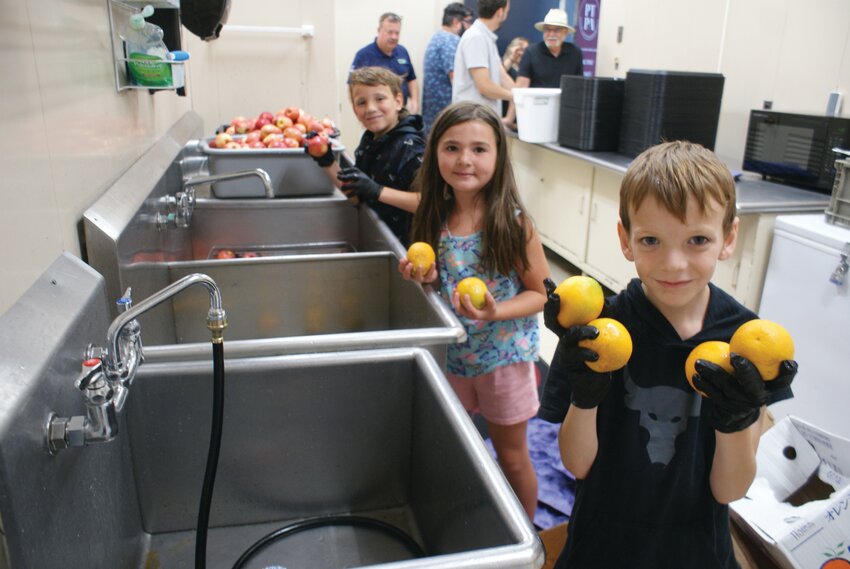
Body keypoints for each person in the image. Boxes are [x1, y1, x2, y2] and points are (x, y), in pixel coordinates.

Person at [539, 141, 798, 568]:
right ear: (625, 240)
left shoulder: (745, 343)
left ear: (728, 237)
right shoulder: (598, 331)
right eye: (651, 240)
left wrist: (736, 420)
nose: (674, 263)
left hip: (696, 548)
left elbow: (730, 490)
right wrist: (584, 397)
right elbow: (576, 464)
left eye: (697, 240)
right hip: (601, 542)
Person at [398, 101, 550, 521]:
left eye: (479, 149)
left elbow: (541, 295)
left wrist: (495, 312)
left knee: (512, 455)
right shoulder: (434, 214)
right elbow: (440, 279)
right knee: (457, 445)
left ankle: (527, 538)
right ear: (435, 155)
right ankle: (467, 517)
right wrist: (423, 276)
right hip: (455, 357)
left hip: (504, 358)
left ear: (498, 157)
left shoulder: (513, 224)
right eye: (452, 148)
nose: (465, 159)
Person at [309, 66, 424, 247]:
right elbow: (357, 198)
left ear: (398, 101)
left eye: (380, 99)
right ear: (355, 110)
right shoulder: (370, 141)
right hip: (382, 238)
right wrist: (327, 161)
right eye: (361, 102)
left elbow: (426, 203)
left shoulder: (411, 146)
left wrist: (377, 191)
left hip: (410, 249)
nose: (370, 108)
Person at [504, 9, 583, 126]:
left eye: (557, 30)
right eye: (547, 30)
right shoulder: (531, 52)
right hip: (535, 113)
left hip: (563, 115)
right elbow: (520, 87)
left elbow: (578, 88)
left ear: (565, 32)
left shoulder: (575, 53)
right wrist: (509, 119)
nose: (551, 34)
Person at [452, 0, 515, 124]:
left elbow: (503, 77)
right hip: (471, 119)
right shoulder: (476, 37)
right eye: (507, 12)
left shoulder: (486, 38)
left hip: (482, 119)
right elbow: (484, 86)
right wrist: (515, 97)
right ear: (500, 12)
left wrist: (521, 93)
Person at [350, 12, 420, 113]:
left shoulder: (402, 52)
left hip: (402, 112)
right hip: (377, 115)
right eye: (390, 32)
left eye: (397, 33)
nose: (394, 37)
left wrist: (414, 101)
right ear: (379, 31)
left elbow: (411, 79)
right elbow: (352, 86)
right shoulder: (364, 55)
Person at [422, 3, 473, 134]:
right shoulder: (451, 41)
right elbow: (455, 79)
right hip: (447, 115)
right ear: (456, 21)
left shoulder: (436, 38)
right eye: (467, 22)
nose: (469, 27)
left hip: (432, 116)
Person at [500, 36, 528, 117]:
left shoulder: (528, 70)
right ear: (510, 49)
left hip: (522, 111)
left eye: (524, 50)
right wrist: (512, 58)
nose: (521, 53)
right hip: (504, 111)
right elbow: (499, 75)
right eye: (519, 49)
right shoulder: (504, 65)